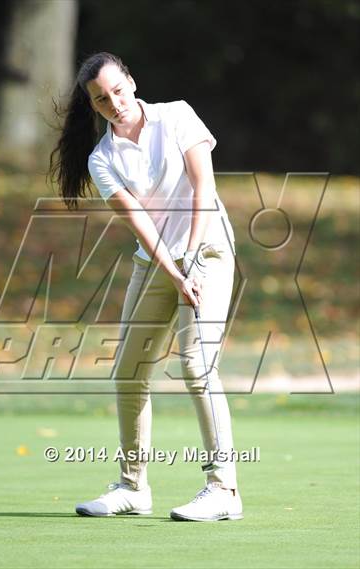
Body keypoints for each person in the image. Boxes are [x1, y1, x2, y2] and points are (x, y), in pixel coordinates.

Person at [49, 52, 243, 522]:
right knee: (128, 371)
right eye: (101, 100)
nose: (113, 103)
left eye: (117, 90)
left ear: (132, 82)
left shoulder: (177, 114)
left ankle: (224, 490)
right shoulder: (102, 159)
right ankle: (133, 487)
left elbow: (203, 187)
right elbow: (141, 224)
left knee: (196, 363)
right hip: (156, 260)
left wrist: (192, 260)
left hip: (209, 248)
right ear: (92, 106)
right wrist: (173, 271)